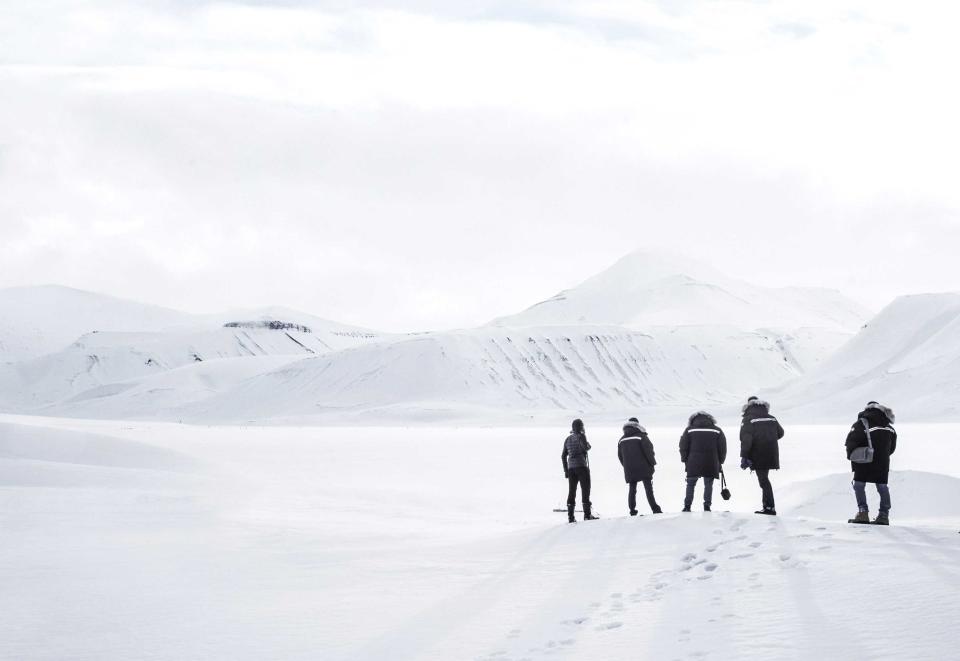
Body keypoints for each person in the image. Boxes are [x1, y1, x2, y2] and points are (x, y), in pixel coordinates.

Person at [845, 401, 897, 525]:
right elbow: (892, 448)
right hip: (883, 463)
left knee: (859, 485)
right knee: (882, 487)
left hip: (863, 460)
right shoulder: (890, 427)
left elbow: (851, 442)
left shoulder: (861, 423)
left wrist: (852, 456)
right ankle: (884, 516)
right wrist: (883, 456)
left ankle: (863, 513)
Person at [739, 396, 785, 515]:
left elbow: (746, 440)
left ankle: (770, 508)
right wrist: (769, 439)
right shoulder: (772, 418)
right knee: (764, 479)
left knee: (763, 481)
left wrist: (744, 456)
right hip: (771, 453)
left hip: (758, 454)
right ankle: (767, 507)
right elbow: (780, 433)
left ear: (749, 406)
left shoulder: (748, 419)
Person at [679, 411, 727, 512]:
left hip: (693, 461)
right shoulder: (717, 430)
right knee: (708, 484)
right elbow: (722, 447)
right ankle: (707, 506)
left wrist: (684, 459)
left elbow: (683, 446)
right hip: (711, 461)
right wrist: (720, 461)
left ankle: (687, 506)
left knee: (690, 484)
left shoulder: (689, 430)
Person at [617, 417, 663, 516]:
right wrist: (652, 464)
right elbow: (649, 451)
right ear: (637, 425)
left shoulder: (621, 439)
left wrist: (626, 466)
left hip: (630, 469)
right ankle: (655, 509)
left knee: (632, 489)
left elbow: (620, 456)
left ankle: (632, 510)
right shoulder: (641, 436)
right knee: (648, 488)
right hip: (644, 467)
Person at [562, 418, 597, 523]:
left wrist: (566, 471)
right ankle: (587, 515)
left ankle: (571, 517)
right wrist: (585, 440)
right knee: (585, 490)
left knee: (572, 492)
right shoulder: (581, 436)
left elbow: (563, 456)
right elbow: (585, 448)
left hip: (571, 469)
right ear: (581, 427)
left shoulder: (568, 439)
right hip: (581, 466)